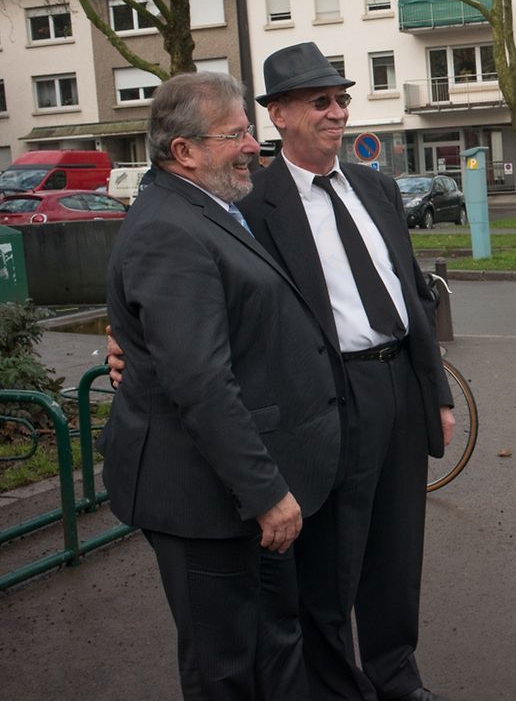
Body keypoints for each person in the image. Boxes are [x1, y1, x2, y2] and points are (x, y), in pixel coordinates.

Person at [101, 71, 342, 700]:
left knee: (275, 641)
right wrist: (266, 492)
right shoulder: (168, 229)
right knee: (225, 667)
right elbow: (201, 382)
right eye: (235, 134)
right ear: (184, 150)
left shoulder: (213, 207)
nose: (252, 146)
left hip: (241, 488)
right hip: (203, 499)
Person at [246, 42, 455, 701]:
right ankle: (337, 688)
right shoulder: (252, 204)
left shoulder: (376, 187)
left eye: (341, 99)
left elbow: (412, 295)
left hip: (398, 387)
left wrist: (435, 391)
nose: (337, 112)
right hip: (325, 397)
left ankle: (395, 676)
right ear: (279, 114)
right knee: (331, 561)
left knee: (396, 550)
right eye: (320, 101)